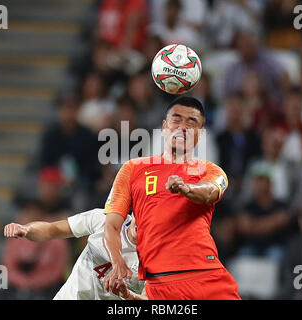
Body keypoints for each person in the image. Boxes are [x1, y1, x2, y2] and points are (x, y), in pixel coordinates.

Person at [102, 96, 240, 300]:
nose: (182, 127)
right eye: (176, 119)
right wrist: (117, 263)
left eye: (191, 122)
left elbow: (211, 191)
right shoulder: (132, 169)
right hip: (159, 285)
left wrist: (186, 189)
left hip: (208, 279)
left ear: (200, 134)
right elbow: (112, 225)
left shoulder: (211, 170)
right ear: (165, 127)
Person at [4, 208, 146, 300]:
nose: (143, 222)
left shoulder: (158, 257)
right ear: (134, 211)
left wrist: (128, 295)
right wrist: (26, 230)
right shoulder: (103, 219)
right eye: (142, 212)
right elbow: (53, 229)